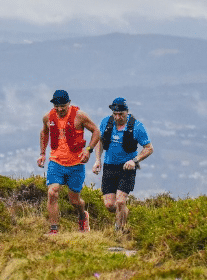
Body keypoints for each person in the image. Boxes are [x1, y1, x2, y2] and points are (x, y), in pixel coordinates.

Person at [37, 89, 100, 234]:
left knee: (75, 202)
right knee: (52, 192)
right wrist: (42, 153)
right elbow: (44, 132)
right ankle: (54, 230)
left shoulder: (80, 116)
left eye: (63, 106)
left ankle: (82, 216)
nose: (59, 109)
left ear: (69, 103)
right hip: (56, 162)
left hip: (76, 165)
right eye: (57, 106)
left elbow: (96, 131)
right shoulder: (48, 117)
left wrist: (88, 150)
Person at [92, 97, 153, 233]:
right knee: (110, 205)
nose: (118, 117)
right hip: (109, 167)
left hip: (127, 168)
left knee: (120, 201)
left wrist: (135, 161)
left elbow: (149, 148)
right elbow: (100, 141)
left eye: (121, 114)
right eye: (115, 114)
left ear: (127, 112)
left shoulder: (137, 127)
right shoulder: (106, 123)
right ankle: (124, 211)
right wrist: (97, 160)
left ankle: (119, 232)